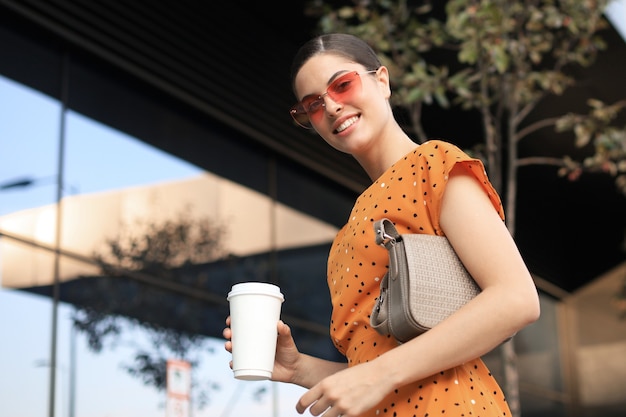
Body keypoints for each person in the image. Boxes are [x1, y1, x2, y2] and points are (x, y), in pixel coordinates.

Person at [224, 33, 540, 417]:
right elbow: (372, 367)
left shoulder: (434, 164)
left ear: (382, 81)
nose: (333, 107)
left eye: (342, 85)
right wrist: (298, 368)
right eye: (314, 105)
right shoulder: (346, 235)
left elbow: (516, 299)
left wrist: (377, 376)